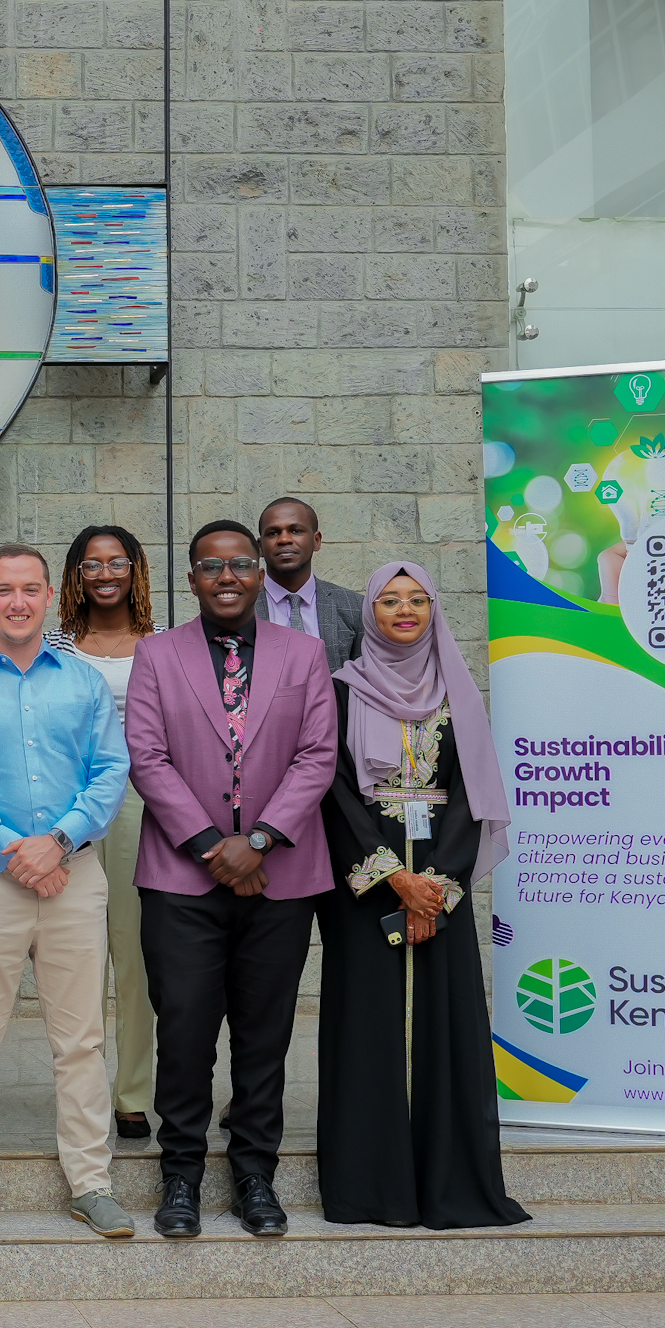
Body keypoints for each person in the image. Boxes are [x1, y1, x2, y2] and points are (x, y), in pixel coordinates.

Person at [125, 520, 338, 1241]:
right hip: (182, 880)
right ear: (190, 579)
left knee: (263, 1034)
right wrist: (217, 847)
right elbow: (147, 756)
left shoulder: (304, 655)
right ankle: (180, 1175)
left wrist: (262, 841)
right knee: (184, 1031)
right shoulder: (155, 654)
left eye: (239, 564)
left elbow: (317, 755)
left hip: (282, 876)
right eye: (210, 566)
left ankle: (254, 1175)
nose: (226, 576)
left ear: (258, 575)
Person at [0, 544, 133, 1243]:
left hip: (74, 875)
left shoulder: (82, 683)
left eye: (30, 589)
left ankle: (91, 1182)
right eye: (4, 589)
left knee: (80, 1038)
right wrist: (14, 849)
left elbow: (110, 771)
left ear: (50, 598)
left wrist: (60, 841)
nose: (18, 601)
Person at [319, 562, 528, 1229]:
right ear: (370, 614)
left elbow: (472, 799)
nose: (403, 610)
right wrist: (391, 879)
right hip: (367, 883)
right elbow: (333, 790)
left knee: (443, 1023)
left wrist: (434, 888)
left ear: (434, 610)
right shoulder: (341, 691)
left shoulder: (457, 695)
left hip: (443, 883)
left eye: (417, 600)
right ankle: (370, 1187)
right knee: (367, 1023)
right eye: (389, 600)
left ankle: (448, 1180)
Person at [46, 523, 160, 1142]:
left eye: (118, 563)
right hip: (76, 812)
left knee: (138, 955)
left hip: (148, 808)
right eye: (93, 565)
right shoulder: (55, 646)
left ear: (136, 570)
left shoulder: (166, 643)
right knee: (78, 958)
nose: (106, 574)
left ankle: (134, 1092)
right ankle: (83, 1091)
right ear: (76, 576)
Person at [256, 497, 363, 674]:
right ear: (260, 547)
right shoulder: (242, 608)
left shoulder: (354, 607)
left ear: (316, 541)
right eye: (273, 533)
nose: (284, 539)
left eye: (296, 531)